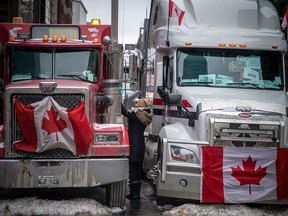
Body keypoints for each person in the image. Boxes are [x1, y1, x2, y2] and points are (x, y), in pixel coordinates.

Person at [121, 98, 153, 200]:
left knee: (133, 171)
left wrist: (118, 102)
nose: (135, 105)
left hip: (134, 145)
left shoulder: (137, 115)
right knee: (137, 170)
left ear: (140, 106)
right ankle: (136, 193)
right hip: (140, 145)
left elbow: (124, 112)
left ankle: (134, 194)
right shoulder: (143, 115)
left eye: (136, 104)